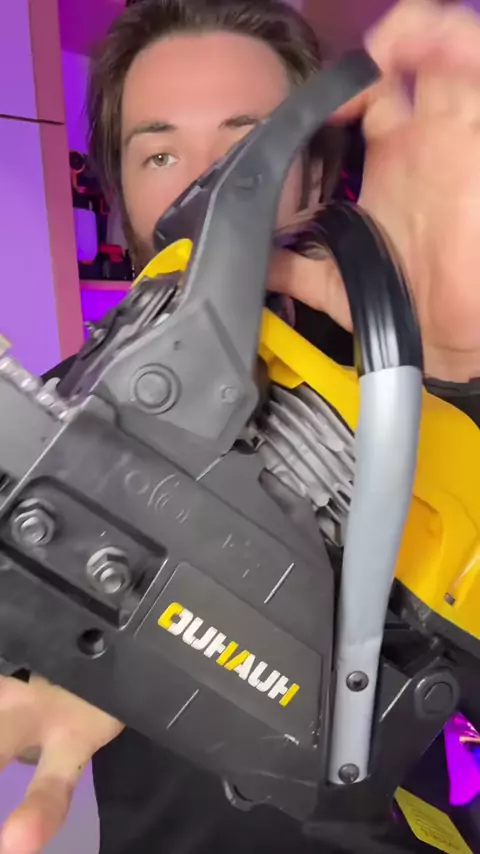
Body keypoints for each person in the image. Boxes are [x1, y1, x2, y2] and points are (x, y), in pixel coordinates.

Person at [1, 0, 480, 852]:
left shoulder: (412, 385)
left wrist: (449, 372)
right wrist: (63, 643)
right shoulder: (56, 425)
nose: (205, 185)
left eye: (248, 146)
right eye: (159, 152)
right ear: (119, 192)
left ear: (315, 176)